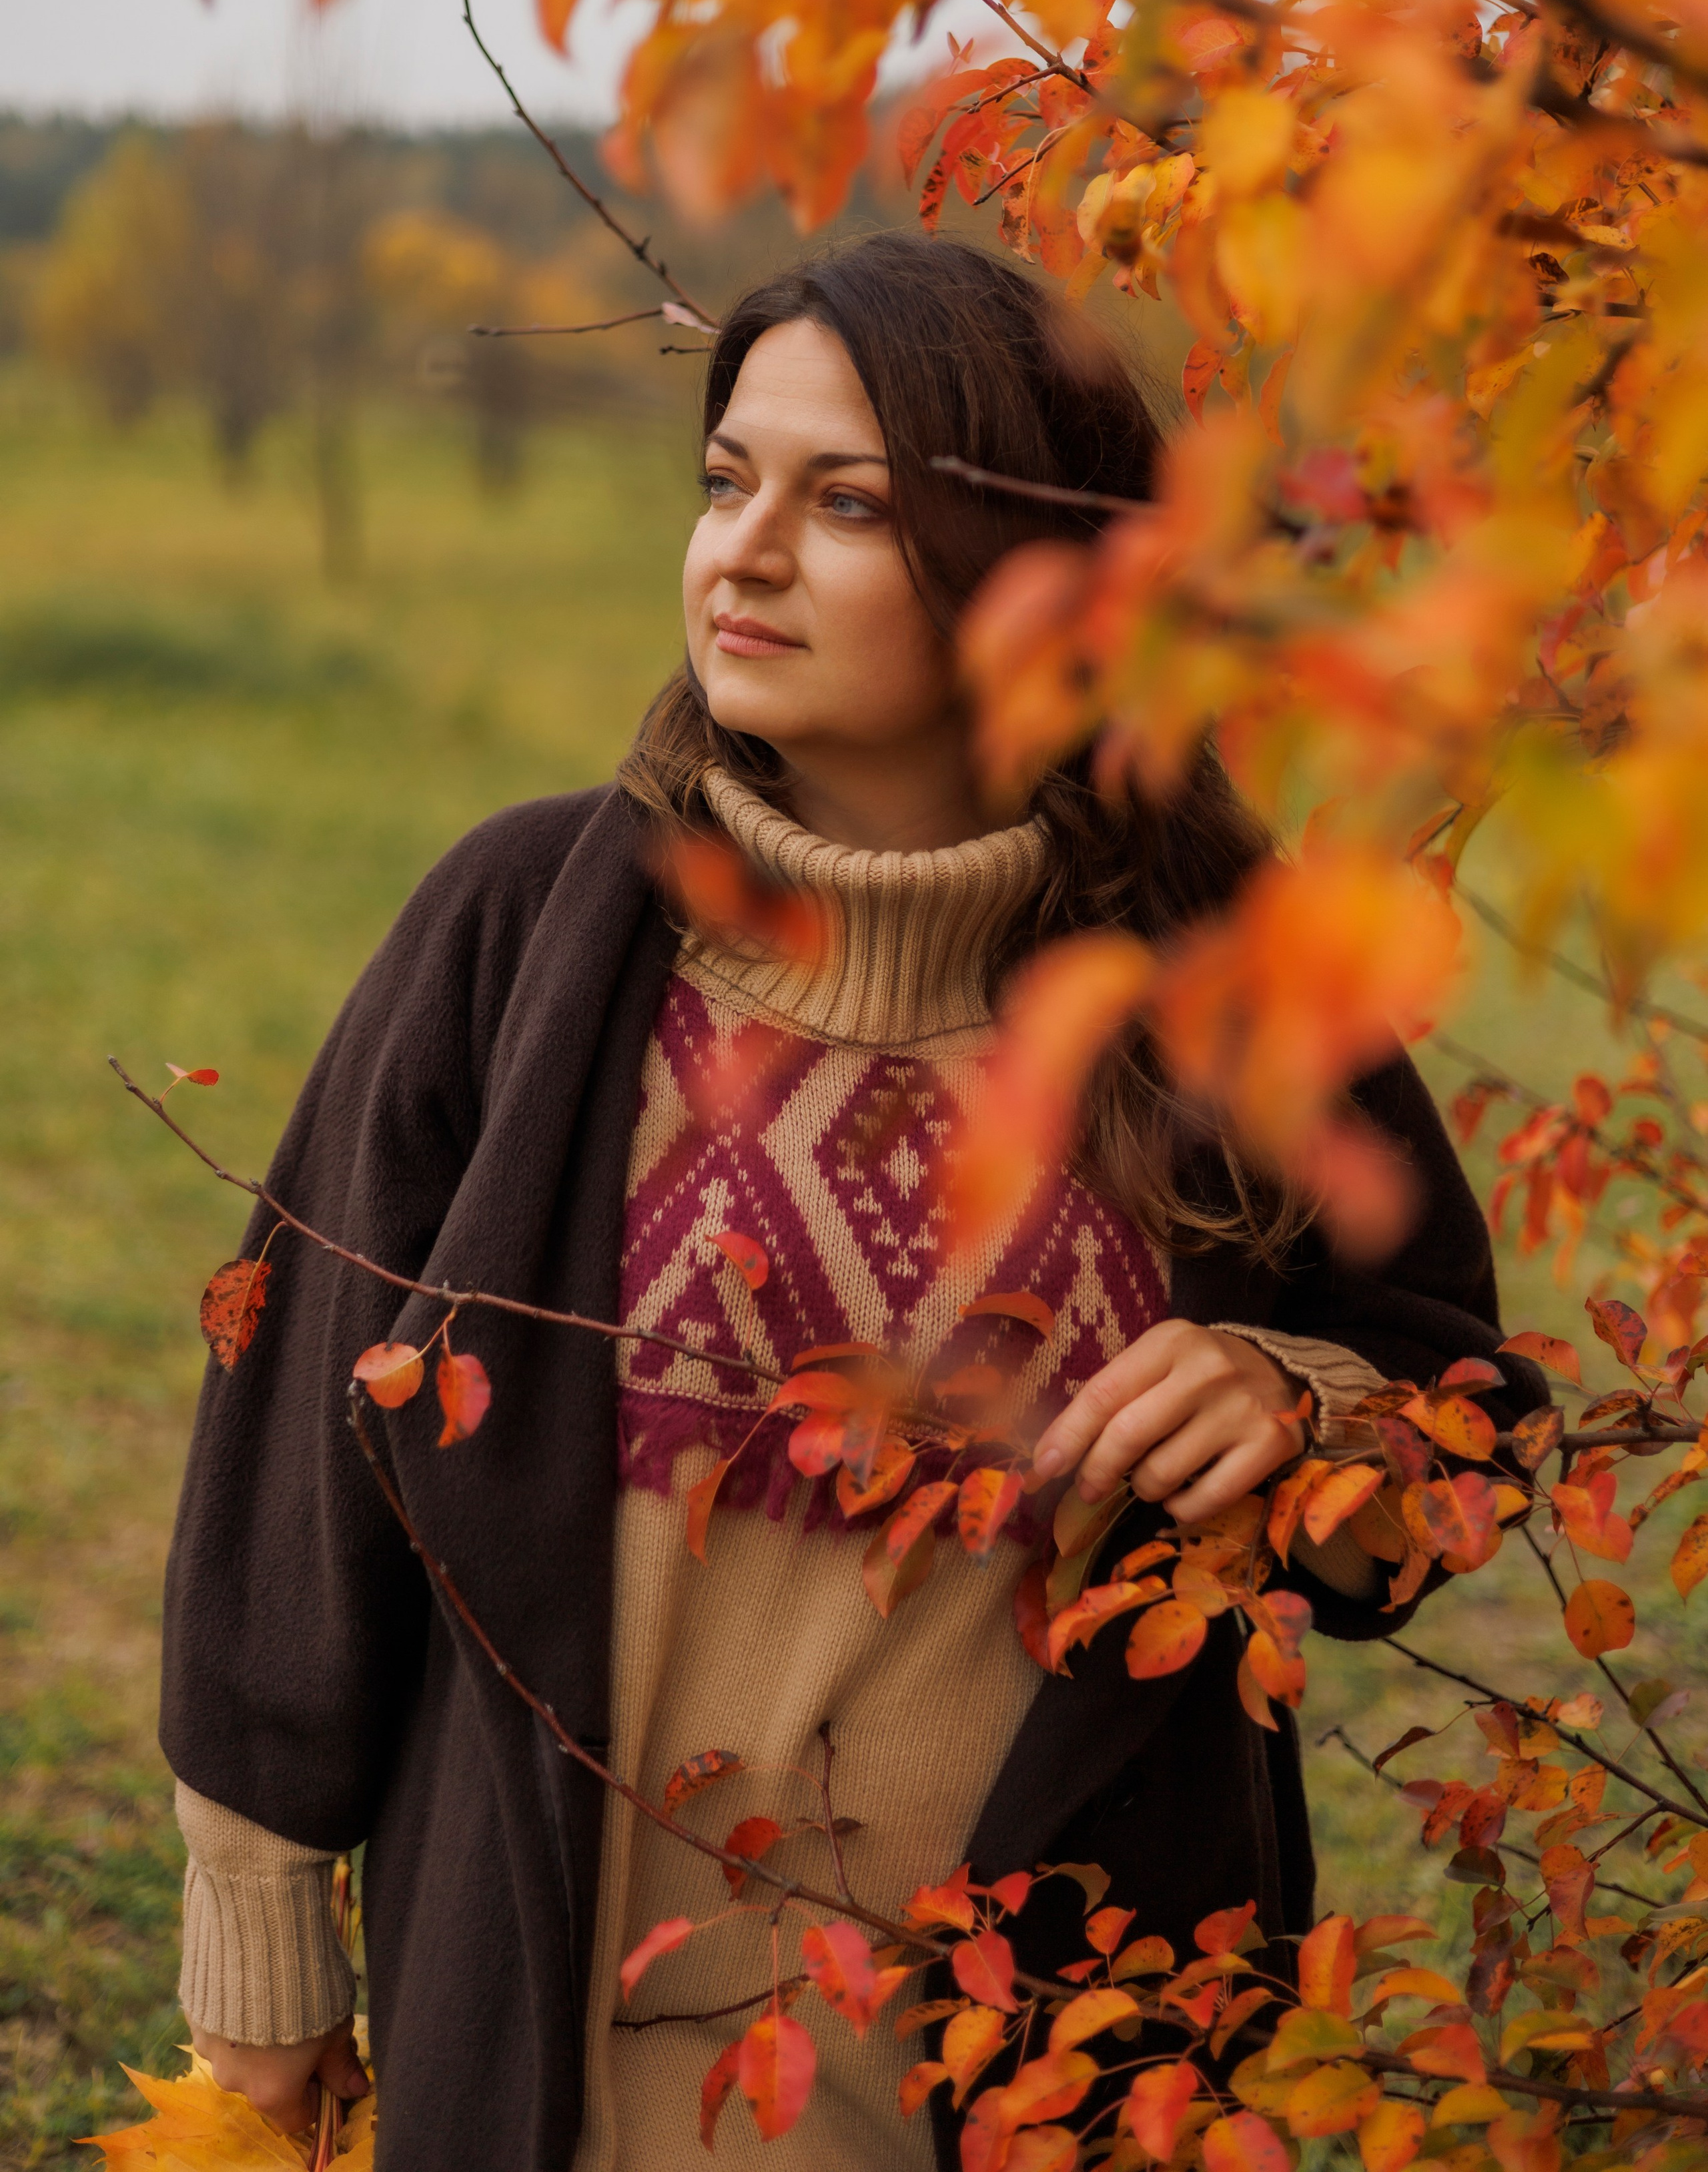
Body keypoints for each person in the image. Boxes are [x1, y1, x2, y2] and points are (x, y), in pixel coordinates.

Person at [162, 232, 1534, 2171]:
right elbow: (297, 1436)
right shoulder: (526, 933)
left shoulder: (1225, 980)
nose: (745, 550)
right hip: (559, 2070)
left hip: (1060, 2076)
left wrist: (1304, 1402)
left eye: (852, 504)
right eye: (727, 481)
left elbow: (1457, 1432)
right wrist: (259, 1939)